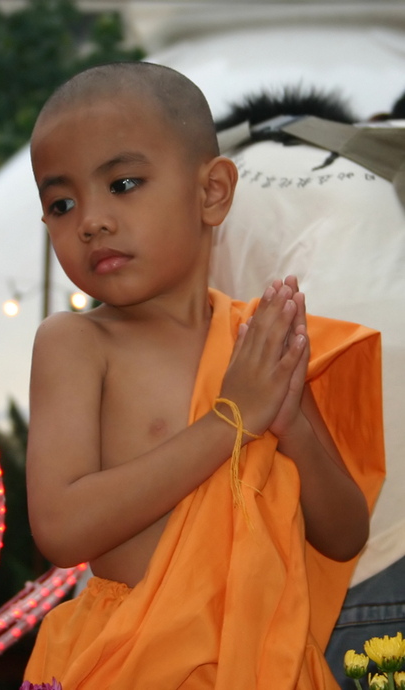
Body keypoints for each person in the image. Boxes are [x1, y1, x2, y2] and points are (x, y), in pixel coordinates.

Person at [24, 62, 384, 690]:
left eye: (124, 183)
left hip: (265, 661)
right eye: (61, 203)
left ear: (212, 192)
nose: (91, 220)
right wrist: (231, 421)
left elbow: (345, 534)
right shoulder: (77, 343)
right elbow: (62, 527)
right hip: (128, 663)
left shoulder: (258, 344)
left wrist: (290, 422)